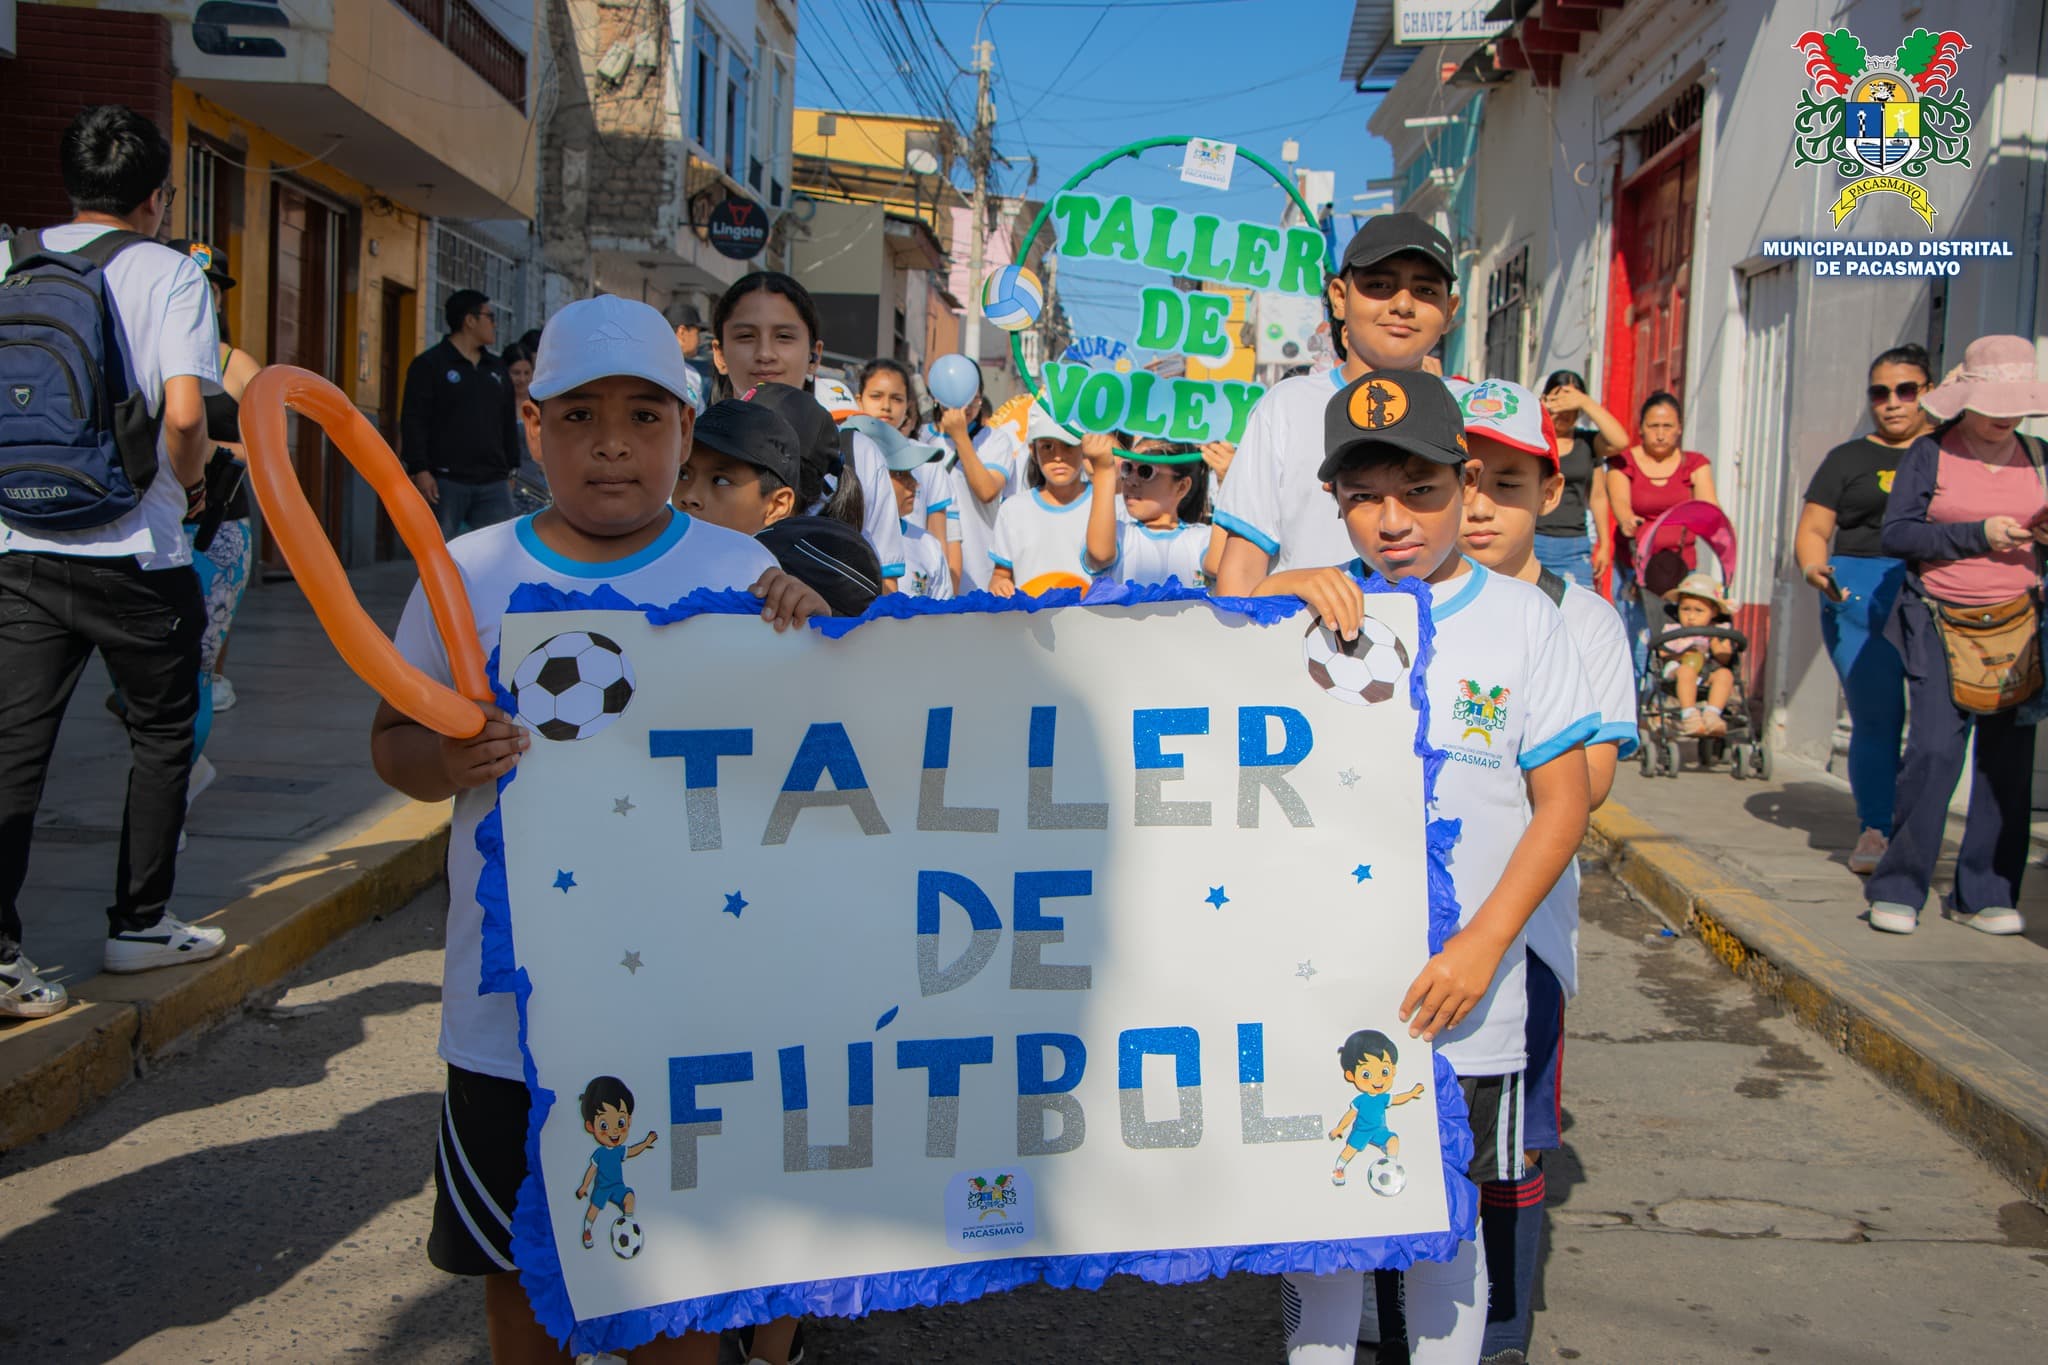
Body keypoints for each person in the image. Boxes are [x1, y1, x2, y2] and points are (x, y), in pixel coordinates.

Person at [373, 294, 812, 1364]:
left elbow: (809, 773)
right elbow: (391, 741)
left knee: (678, 1287)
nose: (611, 443)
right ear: (531, 426)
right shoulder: (465, 574)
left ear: (682, 428)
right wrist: (444, 760)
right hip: (505, 1018)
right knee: (521, 1283)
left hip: (690, 1009)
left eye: (644, 416)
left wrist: (815, 635)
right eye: (577, 416)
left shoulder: (737, 577)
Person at [1255, 370, 1595, 1364]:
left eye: (1421, 491)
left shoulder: (1527, 619)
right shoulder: (1294, 611)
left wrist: (1482, 947)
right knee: (1321, 1238)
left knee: (1446, 1234)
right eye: (1363, 496)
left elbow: (1562, 804)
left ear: (1466, 482)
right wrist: (1260, 601)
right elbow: (1158, 663)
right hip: (1324, 990)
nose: (1391, 519)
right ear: (1332, 502)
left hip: (1469, 998)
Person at [0, 104, 228, 1018]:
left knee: (15, 751)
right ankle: (138, 922)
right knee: (163, 733)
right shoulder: (170, 272)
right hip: (138, 551)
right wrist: (183, 487)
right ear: (157, 197)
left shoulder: (17, 259)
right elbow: (185, 417)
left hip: (20, 543)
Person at [1452, 377, 1636, 1362]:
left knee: (1504, 1151)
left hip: (1519, 935)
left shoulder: (1583, 623)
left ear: (1548, 493)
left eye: (1507, 484)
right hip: (1396, 924)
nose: (1479, 506)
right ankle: (1382, 1309)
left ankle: (1499, 1332)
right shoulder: (1406, 598)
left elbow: (1586, 785)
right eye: (1464, 480)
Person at [1864, 335, 2048, 938]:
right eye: (1994, 400)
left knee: (2007, 764)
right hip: (1938, 619)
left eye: (2014, 402)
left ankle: (1986, 892)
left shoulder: (2040, 455)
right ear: (1966, 398)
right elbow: (1899, 536)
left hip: (2020, 624)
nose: (2004, 414)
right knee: (1935, 751)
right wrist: (1977, 534)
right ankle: (1899, 886)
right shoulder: (1929, 454)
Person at [1212, 213, 1461, 596]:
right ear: (1340, 298)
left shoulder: (1470, 409)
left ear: (1450, 310)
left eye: (1426, 291)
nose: (1403, 305)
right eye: (1380, 285)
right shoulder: (1287, 406)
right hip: (1305, 647)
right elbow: (1239, 577)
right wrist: (1295, 586)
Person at [1793, 344, 1931, 874]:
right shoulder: (1847, 460)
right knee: (1877, 718)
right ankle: (1876, 829)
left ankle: (1921, 827)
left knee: (1937, 728)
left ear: (1929, 391)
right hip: (1855, 594)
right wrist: (1814, 569)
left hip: (1937, 591)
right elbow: (1813, 529)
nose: (1891, 403)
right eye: (1880, 392)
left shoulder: (1948, 451)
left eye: (1906, 390)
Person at [709, 273, 904, 582]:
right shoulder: (681, 450)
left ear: (815, 355)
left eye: (784, 337)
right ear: (719, 354)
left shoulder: (859, 456)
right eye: (746, 336)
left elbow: (884, 588)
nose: (765, 353)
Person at [674, 397, 871, 620]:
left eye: (720, 480)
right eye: (683, 474)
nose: (690, 496)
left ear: (777, 505)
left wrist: (814, 626)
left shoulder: (782, 595)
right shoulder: (641, 556)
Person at [1605, 391, 1718, 671]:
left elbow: (1708, 509)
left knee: (1677, 639)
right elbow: (1620, 503)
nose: (1660, 434)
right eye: (1653, 426)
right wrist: (1627, 519)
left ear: (1679, 429)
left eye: (1667, 427)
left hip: (1680, 570)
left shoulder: (1695, 464)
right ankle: (1634, 704)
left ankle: (1662, 703)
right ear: (1641, 428)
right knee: (1635, 638)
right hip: (1635, 567)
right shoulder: (1624, 463)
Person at [401, 288, 521, 538]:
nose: (494, 324)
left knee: (500, 552)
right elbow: (414, 419)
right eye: (490, 317)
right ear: (470, 320)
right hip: (445, 481)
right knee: (441, 557)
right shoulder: (430, 365)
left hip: (493, 482)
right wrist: (419, 469)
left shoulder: (496, 369)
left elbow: (507, 422)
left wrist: (512, 468)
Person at [932, 363, 1027, 594]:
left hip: (981, 574)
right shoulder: (921, 438)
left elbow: (987, 491)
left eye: (973, 399)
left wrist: (960, 437)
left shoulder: (995, 441)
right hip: (933, 573)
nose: (965, 406)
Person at [1535, 370, 1627, 589]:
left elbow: (1597, 496)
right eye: (1561, 402)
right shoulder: (1534, 440)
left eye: (1572, 406)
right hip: (1533, 539)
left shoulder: (1586, 443)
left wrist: (1604, 544)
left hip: (1574, 545)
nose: (1565, 413)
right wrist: (1541, 410)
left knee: (1577, 613)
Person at [843, 414, 951, 600]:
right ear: (863, 477)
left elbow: (944, 621)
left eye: (911, 473)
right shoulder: (828, 543)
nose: (914, 483)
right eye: (900, 474)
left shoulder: (929, 546)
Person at [1083, 439, 1214, 588]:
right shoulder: (1118, 535)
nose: (1131, 481)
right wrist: (1103, 471)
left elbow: (1217, 567)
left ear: (1182, 487)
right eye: (1127, 468)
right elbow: (1100, 556)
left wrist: (1226, 479)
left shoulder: (1201, 539)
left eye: (1145, 471)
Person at [988, 423, 1094, 596]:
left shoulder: (1104, 502)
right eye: (1047, 447)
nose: (1058, 457)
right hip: (1031, 621)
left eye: (1068, 445)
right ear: (1033, 451)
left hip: (1092, 619)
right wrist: (999, 585)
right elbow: (1000, 573)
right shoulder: (1012, 510)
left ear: (1083, 447)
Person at [1658, 574, 1739, 737]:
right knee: (1686, 671)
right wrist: (1679, 655)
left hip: (1707, 672)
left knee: (1725, 674)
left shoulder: (1719, 630)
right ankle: (1690, 716)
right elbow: (1661, 652)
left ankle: (1712, 714)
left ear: (1714, 612)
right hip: (1678, 670)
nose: (1691, 616)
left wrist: (1715, 639)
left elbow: (1725, 658)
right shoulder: (1674, 630)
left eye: (1699, 611)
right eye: (1685, 609)